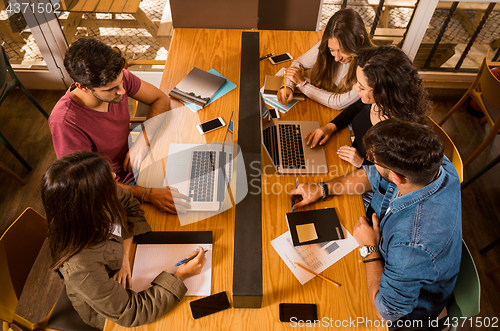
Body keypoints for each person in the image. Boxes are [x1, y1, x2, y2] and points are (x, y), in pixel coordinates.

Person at [290, 119, 462, 328]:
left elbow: (386, 312)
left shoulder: (412, 247)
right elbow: (373, 176)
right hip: (396, 256)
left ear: (397, 178)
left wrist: (369, 249)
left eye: (376, 162)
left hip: (402, 313)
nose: (370, 163)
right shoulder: (434, 162)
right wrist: (322, 189)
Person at [41, 152, 206, 329]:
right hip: (110, 313)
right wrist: (180, 276)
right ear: (90, 204)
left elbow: (128, 204)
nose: (115, 177)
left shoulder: (92, 201)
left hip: (122, 274)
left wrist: (125, 256)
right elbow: (133, 312)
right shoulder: (80, 267)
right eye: (109, 179)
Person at [48, 37, 189, 214]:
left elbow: (160, 99)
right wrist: (147, 194)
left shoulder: (115, 79)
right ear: (82, 87)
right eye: (110, 89)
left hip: (139, 159)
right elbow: (88, 184)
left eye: (121, 82)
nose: (122, 91)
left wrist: (143, 141)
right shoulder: (65, 122)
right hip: (114, 187)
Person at [306, 45, 431, 168]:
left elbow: (390, 177)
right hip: (349, 152)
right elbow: (356, 108)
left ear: (383, 92)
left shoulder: (398, 136)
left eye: (362, 87)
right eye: (357, 82)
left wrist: (362, 163)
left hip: (364, 175)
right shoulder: (376, 102)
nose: (355, 88)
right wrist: (330, 127)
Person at [277, 8, 373, 109]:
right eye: (332, 50)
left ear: (360, 41)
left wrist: (302, 84)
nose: (336, 58)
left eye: (343, 50)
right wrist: (288, 86)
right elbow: (299, 63)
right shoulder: (330, 42)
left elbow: (338, 103)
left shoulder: (369, 69)